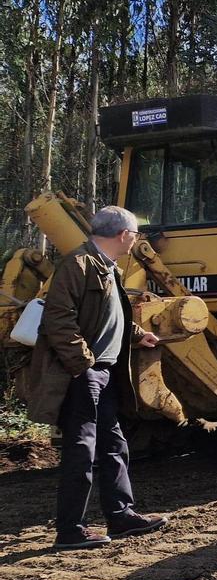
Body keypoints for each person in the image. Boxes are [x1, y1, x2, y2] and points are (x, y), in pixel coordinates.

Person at [28, 206, 168, 550]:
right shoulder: (77, 265)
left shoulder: (106, 266)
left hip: (102, 372)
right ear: (123, 235)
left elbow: (109, 314)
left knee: (114, 444)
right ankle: (70, 531)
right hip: (84, 373)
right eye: (135, 234)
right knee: (81, 450)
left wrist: (136, 335)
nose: (136, 240)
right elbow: (58, 322)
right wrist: (84, 366)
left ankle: (120, 515)